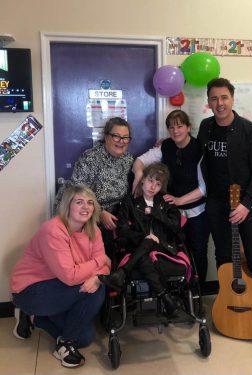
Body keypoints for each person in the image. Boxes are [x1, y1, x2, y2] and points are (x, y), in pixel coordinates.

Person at [197, 77, 252, 336]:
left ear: (232, 98)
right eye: (214, 98)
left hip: (248, 205)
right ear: (208, 102)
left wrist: (246, 204)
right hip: (218, 205)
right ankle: (227, 304)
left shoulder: (251, 130)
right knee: (222, 257)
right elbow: (196, 157)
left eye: (224, 97)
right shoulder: (205, 127)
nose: (219, 103)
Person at [10, 185, 111, 368]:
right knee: (97, 290)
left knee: (85, 338)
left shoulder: (94, 230)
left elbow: (106, 268)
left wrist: (97, 276)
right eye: (79, 202)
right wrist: (100, 263)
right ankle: (64, 344)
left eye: (90, 203)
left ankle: (33, 318)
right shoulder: (53, 230)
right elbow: (71, 276)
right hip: (32, 290)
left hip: (62, 289)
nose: (86, 207)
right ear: (67, 205)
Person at [132, 110, 210, 286]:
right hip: (173, 212)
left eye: (180, 126)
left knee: (198, 251)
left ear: (189, 128)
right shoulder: (166, 146)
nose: (175, 131)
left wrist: (180, 200)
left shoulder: (200, 149)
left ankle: (198, 292)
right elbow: (140, 161)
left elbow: (205, 188)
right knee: (174, 250)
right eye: (171, 127)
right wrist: (138, 174)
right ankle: (179, 294)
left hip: (198, 210)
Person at [99, 163, 181, 317]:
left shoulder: (165, 201)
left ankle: (121, 273)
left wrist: (157, 213)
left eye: (158, 184)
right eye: (151, 181)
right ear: (143, 179)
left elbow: (176, 226)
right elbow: (121, 229)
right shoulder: (129, 201)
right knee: (144, 253)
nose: (153, 187)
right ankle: (166, 298)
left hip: (162, 246)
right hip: (138, 246)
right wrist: (144, 237)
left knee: (147, 246)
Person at [54, 117, 134, 255]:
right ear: (106, 136)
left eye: (125, 138)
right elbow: (78, 193)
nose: (121, 141)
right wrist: (100, 212)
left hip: (115, 213)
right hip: (83, 211)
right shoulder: (91, 158)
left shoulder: (128, 159)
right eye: (116, 136)